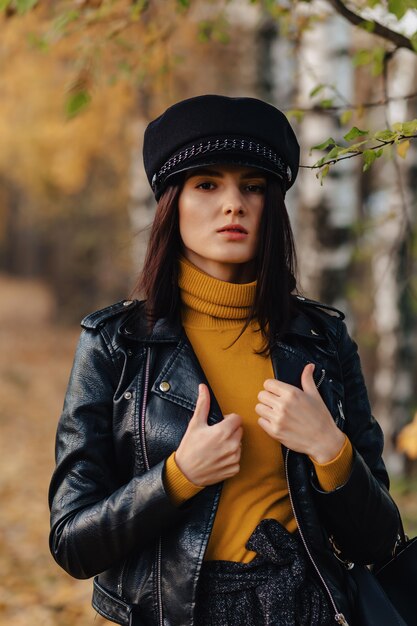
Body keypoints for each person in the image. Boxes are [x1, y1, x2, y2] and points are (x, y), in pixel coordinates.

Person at [49, 95, 400, 626]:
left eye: (252, 187)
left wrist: (330, 450)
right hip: (175, 613)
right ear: (173, 202)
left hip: (310, 609)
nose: (233, 204)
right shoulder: (116, 343)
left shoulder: (322, 339)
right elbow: (72, 542)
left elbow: (381, 540)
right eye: (207, 184)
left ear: (272, 207)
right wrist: (177, 476)